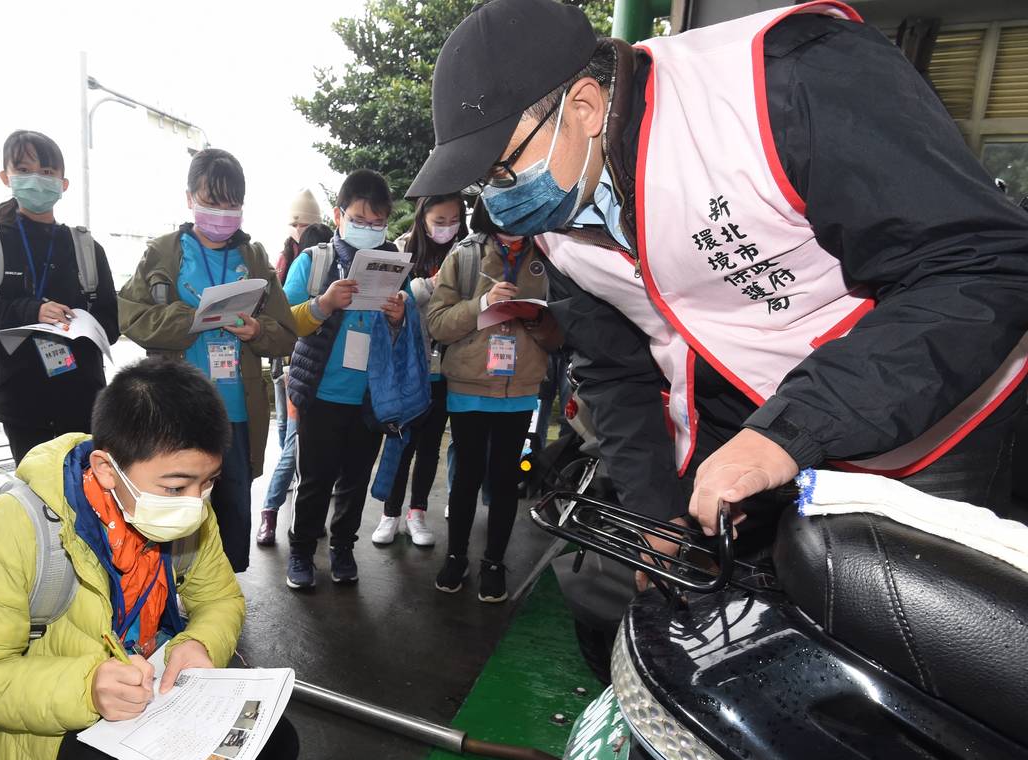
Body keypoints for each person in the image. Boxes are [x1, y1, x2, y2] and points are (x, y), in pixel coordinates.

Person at [409, 0, 1028, 546]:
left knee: (916, 637)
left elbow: (977, 266)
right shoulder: (559, 220)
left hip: (933, 425)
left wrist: (794, 428)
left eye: (503, 170)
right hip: (744, 437)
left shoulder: (786, 78)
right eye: (483, 183)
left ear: (586, 106)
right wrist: (658, 515)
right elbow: (612, 365)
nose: (497, 201)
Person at [0, 358, 298, 760]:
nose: (195, 502)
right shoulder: (10, 531)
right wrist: (87, 688)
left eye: (207, 483)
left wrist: (199, 643)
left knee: (276, 748)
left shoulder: (184, 511)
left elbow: (218, 598)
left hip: (143, 684)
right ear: (105, 468)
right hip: (34, 711)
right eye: (176, 487)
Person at [119, 149, 297, 575]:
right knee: (175, 505)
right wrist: (189, 320)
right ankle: (168, 589)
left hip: (236, 413)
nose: (222, 212)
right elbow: (128, 314)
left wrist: (257, 331)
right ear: (189, 198)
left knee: (233, 506)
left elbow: (286, 331)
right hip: (178, 410)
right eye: (212, 201)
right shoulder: (162, 253)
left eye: (231, 203)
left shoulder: (253, 257)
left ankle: (223, 592)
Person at [0, 130, 120, 465]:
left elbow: (111, 324)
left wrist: (83, 325)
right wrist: (31, 311)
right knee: (36, 497)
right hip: (20, 400)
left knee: (86, 496)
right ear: (6, 177)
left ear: (63, 183)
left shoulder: (87, 248)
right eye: (24, 170)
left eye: (46, 173)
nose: (37, 180)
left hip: (82, 397)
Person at [282, 169, 411, 589]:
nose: (370, 229)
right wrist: (322, 303)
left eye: (378, 222)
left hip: (371, 396)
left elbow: (402, 335)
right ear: (339, 216)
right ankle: (301, 551)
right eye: (360, 219)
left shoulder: (393, 262)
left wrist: (398, 318)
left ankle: (342, 547)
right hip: (321, 393)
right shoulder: (314, 259)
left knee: (354, 481)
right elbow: (285, 321)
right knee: (315, 480)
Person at [426, 201, 561, 602]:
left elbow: (560, 336)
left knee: (505, 480)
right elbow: (437, 323)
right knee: (466, 477)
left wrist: (537, 320)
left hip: (520, 388)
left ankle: (494, 562)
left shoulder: (549, 254)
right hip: (468, 384)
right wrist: (483, 304)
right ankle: (455, 556)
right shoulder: (465, 255)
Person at [372, 193, 468, 547]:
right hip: (408, 365)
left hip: (445, 368)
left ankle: (418, 512)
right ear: (422, 219)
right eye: (438, 221)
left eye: (453, 220)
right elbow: (395, 301)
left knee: (430, 447)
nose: (447, 228)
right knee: (401, 443)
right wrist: (432, 283)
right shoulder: (399, 252)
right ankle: (389, 514)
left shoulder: (467, 253)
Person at [256, 222, 334, 547]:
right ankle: (270, 511)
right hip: (299, 373)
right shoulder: (307, 271)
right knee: (293, 447)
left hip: (314, 378)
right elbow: (286, 320)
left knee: (309, 453)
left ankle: (306, 519)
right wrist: (323, 306)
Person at [272, 190, 324, 458]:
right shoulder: (284, 259)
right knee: (285, 415)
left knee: (295, 419)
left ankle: (290, 465)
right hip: (281, 348)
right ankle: (287, 463)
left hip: (306, 348)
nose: (298, 230)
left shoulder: (320, 255)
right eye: (293, 224)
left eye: (303, 224)